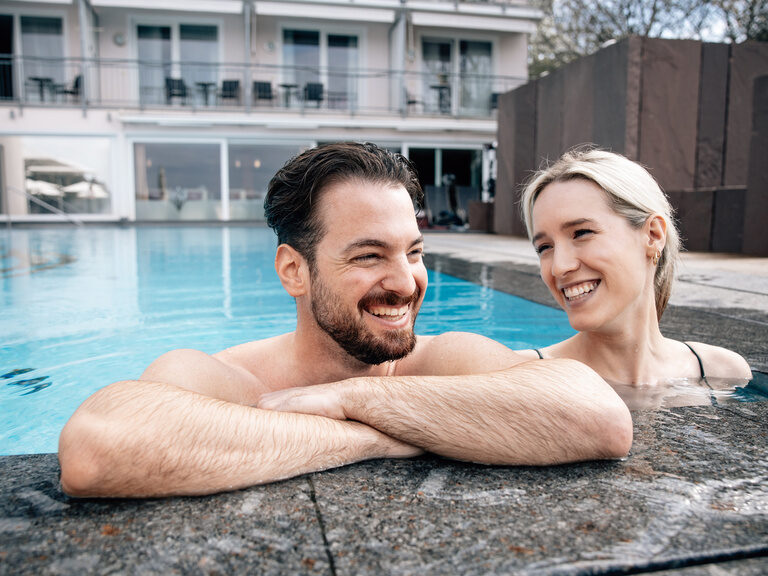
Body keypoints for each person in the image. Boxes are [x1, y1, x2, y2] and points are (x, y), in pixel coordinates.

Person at [58, 142, 632, 498]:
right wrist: (374, 439)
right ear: (294, 271)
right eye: (368, 256)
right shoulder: (229, 381)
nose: (406, 282)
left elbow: (601, 418)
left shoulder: (439, 360)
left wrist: (353, 401)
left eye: (413, 251)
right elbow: (96, 450)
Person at [517, 147, 752, 394]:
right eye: (544, 247)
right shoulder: (523, 376)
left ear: (653, 235)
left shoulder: (723, 372)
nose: (559, 267)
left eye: (582, 233)